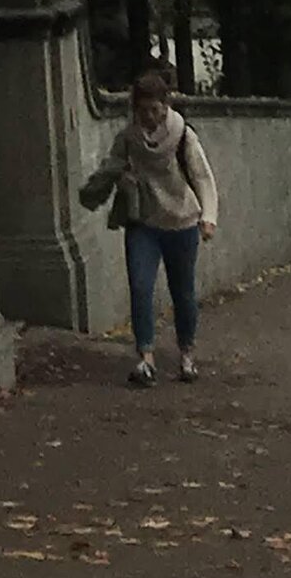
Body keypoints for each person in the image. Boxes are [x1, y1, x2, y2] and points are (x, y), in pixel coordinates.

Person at [81, 66, 219, 385]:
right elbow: (110, 166)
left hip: (182, 222)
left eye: (154, 109)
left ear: (165, 105)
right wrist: (99, 189)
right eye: (142, 110)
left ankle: (186, 354)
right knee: (141, 288)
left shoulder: (183, 135)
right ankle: (145, 358)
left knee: (182, 292)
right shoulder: (129, 138)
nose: (149, 117)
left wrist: (208, 217)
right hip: (144, 222)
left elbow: (201, 176)